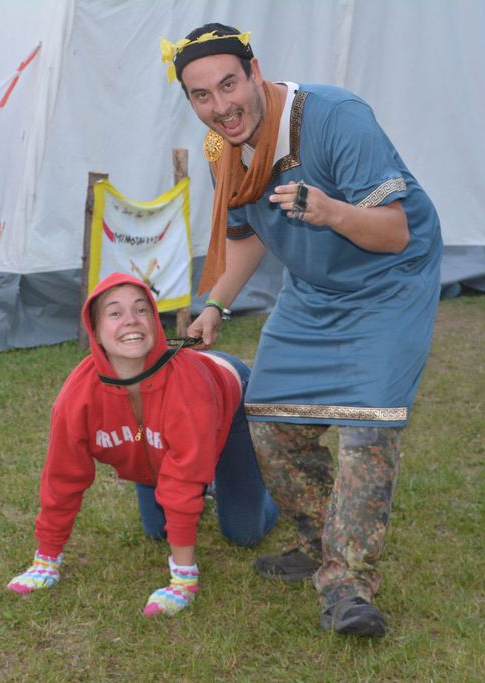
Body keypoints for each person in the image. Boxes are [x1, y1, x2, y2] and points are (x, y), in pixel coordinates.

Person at [161, 23, 443, 637]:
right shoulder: (220, 148)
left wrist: (328, 209)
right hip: (314, 290)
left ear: (255, 72)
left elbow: (395, 231)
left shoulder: (337, 117)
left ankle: (347, 585)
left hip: (388, 283)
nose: (221, 107)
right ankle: (318, 540)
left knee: (367, 430)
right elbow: (247, 236)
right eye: (202, 96)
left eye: (229, 85)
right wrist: (215, 306)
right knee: (269, 421)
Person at [7, 272, 279, 617]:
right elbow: (62, 478)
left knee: (243, 533)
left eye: (141, 309)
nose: (131, 320)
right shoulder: (77, 397)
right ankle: (204, 477)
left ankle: (274, 487)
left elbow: (181, 484)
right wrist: (46, 560)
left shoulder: (188, 390)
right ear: (95, 331)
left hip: (227, 399)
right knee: (157, 530)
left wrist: (183, 580)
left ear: (154, 321)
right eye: (115, 313)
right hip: (161, 441)